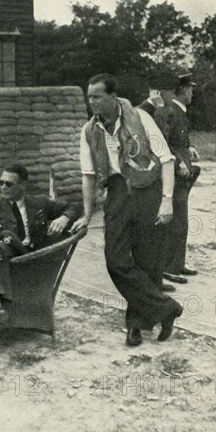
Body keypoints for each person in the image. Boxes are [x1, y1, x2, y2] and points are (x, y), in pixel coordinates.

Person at [71, 74, 183, 347]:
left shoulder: (140, 118)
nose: (92, 102)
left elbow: (166, 159)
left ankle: (137, 324)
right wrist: (86, 214)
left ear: (112, 96)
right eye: (89, 97)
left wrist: (167, 199)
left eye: (97, 96)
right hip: (118, 193)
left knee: (148, 261)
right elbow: (88, 175)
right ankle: (167, 308)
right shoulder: (89, 131)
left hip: (148, 190)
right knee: (116, 260)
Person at [0, 163, 81, 359]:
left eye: (9, 184)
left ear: (23, 185)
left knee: (5, 238)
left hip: (32, 262)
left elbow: (74, 206)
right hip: (5, 263)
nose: (3, 187)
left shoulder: (40, 202)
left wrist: (64, 218)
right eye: (1, 182)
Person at [155, 74, 201, 284]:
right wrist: (177, 163)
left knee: (181, 221)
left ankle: (177, 264)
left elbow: (180, 139)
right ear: (182, 90)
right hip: (173, 175)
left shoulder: (180, 112)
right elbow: (162, 144)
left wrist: (189, 147)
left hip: (182, 176)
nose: (192, 94)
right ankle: (169, 268)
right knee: (174, 222)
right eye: (190, 90)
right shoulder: (170, 111)